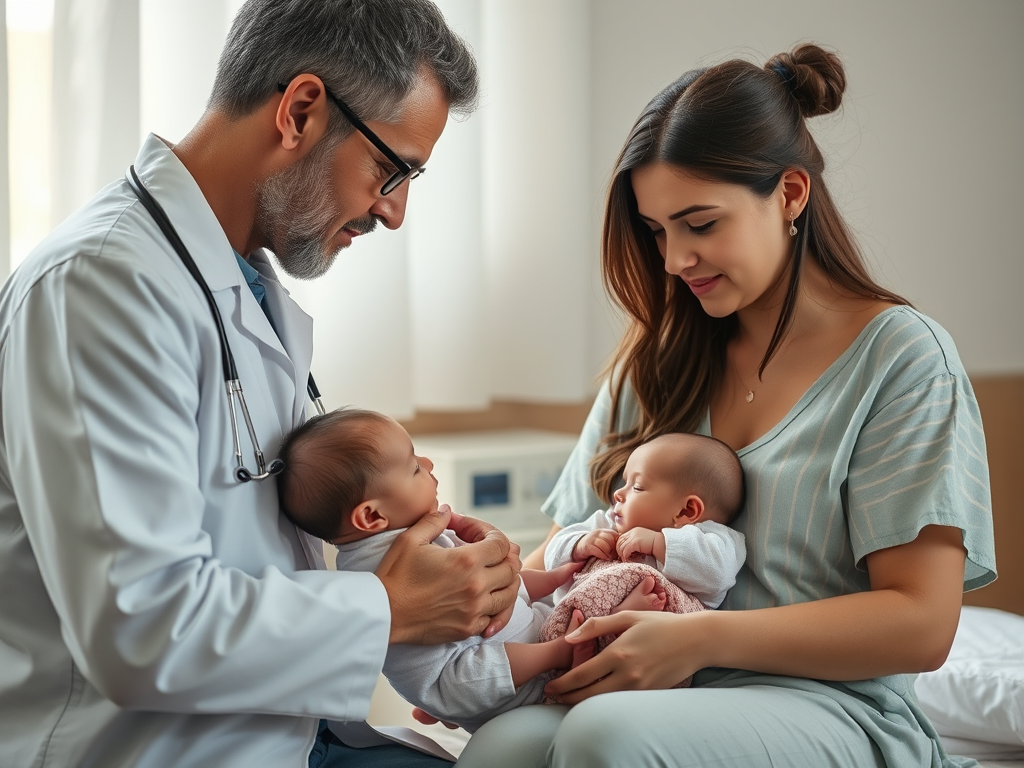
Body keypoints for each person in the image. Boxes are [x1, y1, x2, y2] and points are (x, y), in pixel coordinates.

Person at [0, 3, 523, 768]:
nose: (395, 211)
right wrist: (392, 606)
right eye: (391, 170)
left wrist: (437, 565)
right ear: (301, 111)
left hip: (282, 735)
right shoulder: (100, 287)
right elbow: (140, 627)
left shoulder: (243, 288)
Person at [454, 43, 997, 768]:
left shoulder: (901, 360)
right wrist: (479, 651)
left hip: (833, 706)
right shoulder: (656, 359)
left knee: (600, 741)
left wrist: (697, 639)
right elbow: (565, 553)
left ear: (791, 195)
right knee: (502, 747)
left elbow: (923, 624)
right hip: (651, 692)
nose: (676, 259)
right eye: (657, 231)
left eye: (700, 224)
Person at [278, 407, 593, 733]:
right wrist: (556, 652)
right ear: (371, 517)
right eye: (414, 468)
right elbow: (457, 679)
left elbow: (494, 591)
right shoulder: (385, 566)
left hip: (533, 638)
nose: (428, 465)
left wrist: (558, 576)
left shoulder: (407, 535)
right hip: (518, 697)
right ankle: (559, 653)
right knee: (472, 675)